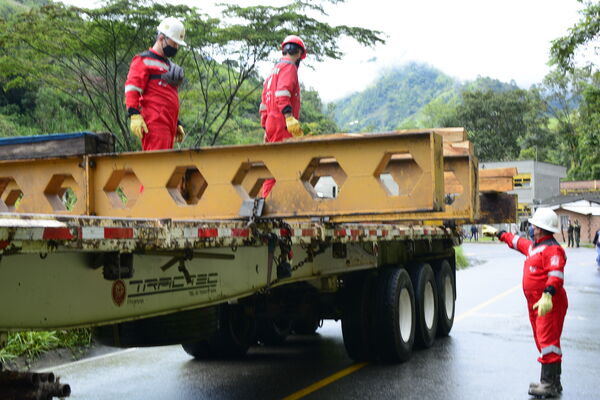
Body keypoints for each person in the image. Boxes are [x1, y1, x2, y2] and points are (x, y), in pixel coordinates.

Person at [496, 208, 567, 398]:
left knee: (548, 341)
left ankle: (549, 383)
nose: (531, 228)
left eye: (534, 225)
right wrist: (501, 234)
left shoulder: (553, 249)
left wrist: (548, 293)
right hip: (537, 303)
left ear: (541, 228)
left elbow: (556, 273)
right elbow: (518, 242)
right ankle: (554, 381)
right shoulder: (535, 247)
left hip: (548, 302)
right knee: (543, 340)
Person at [125, 17, 186, 150]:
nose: (175, 47)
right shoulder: (143, 60)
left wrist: (176, 122)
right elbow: (132, 88)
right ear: (161, 38)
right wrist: (134, 114)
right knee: (158, 167)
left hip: (169, 124)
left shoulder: (168, 65)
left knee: (167, 167)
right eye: (174, 43)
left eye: (177, 44)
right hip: (155, 124)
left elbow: (167, 96)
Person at [259, 35, 306, 197]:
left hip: (272, 123)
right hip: (282, 123)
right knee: (282, 166)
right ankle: (270, 204)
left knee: (273, 165)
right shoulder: (289, 67)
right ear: (299, 53)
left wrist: (265, 127)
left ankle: (266, 202)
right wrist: (289, 117)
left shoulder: (273, 70)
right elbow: (282, 94)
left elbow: (264, 102)